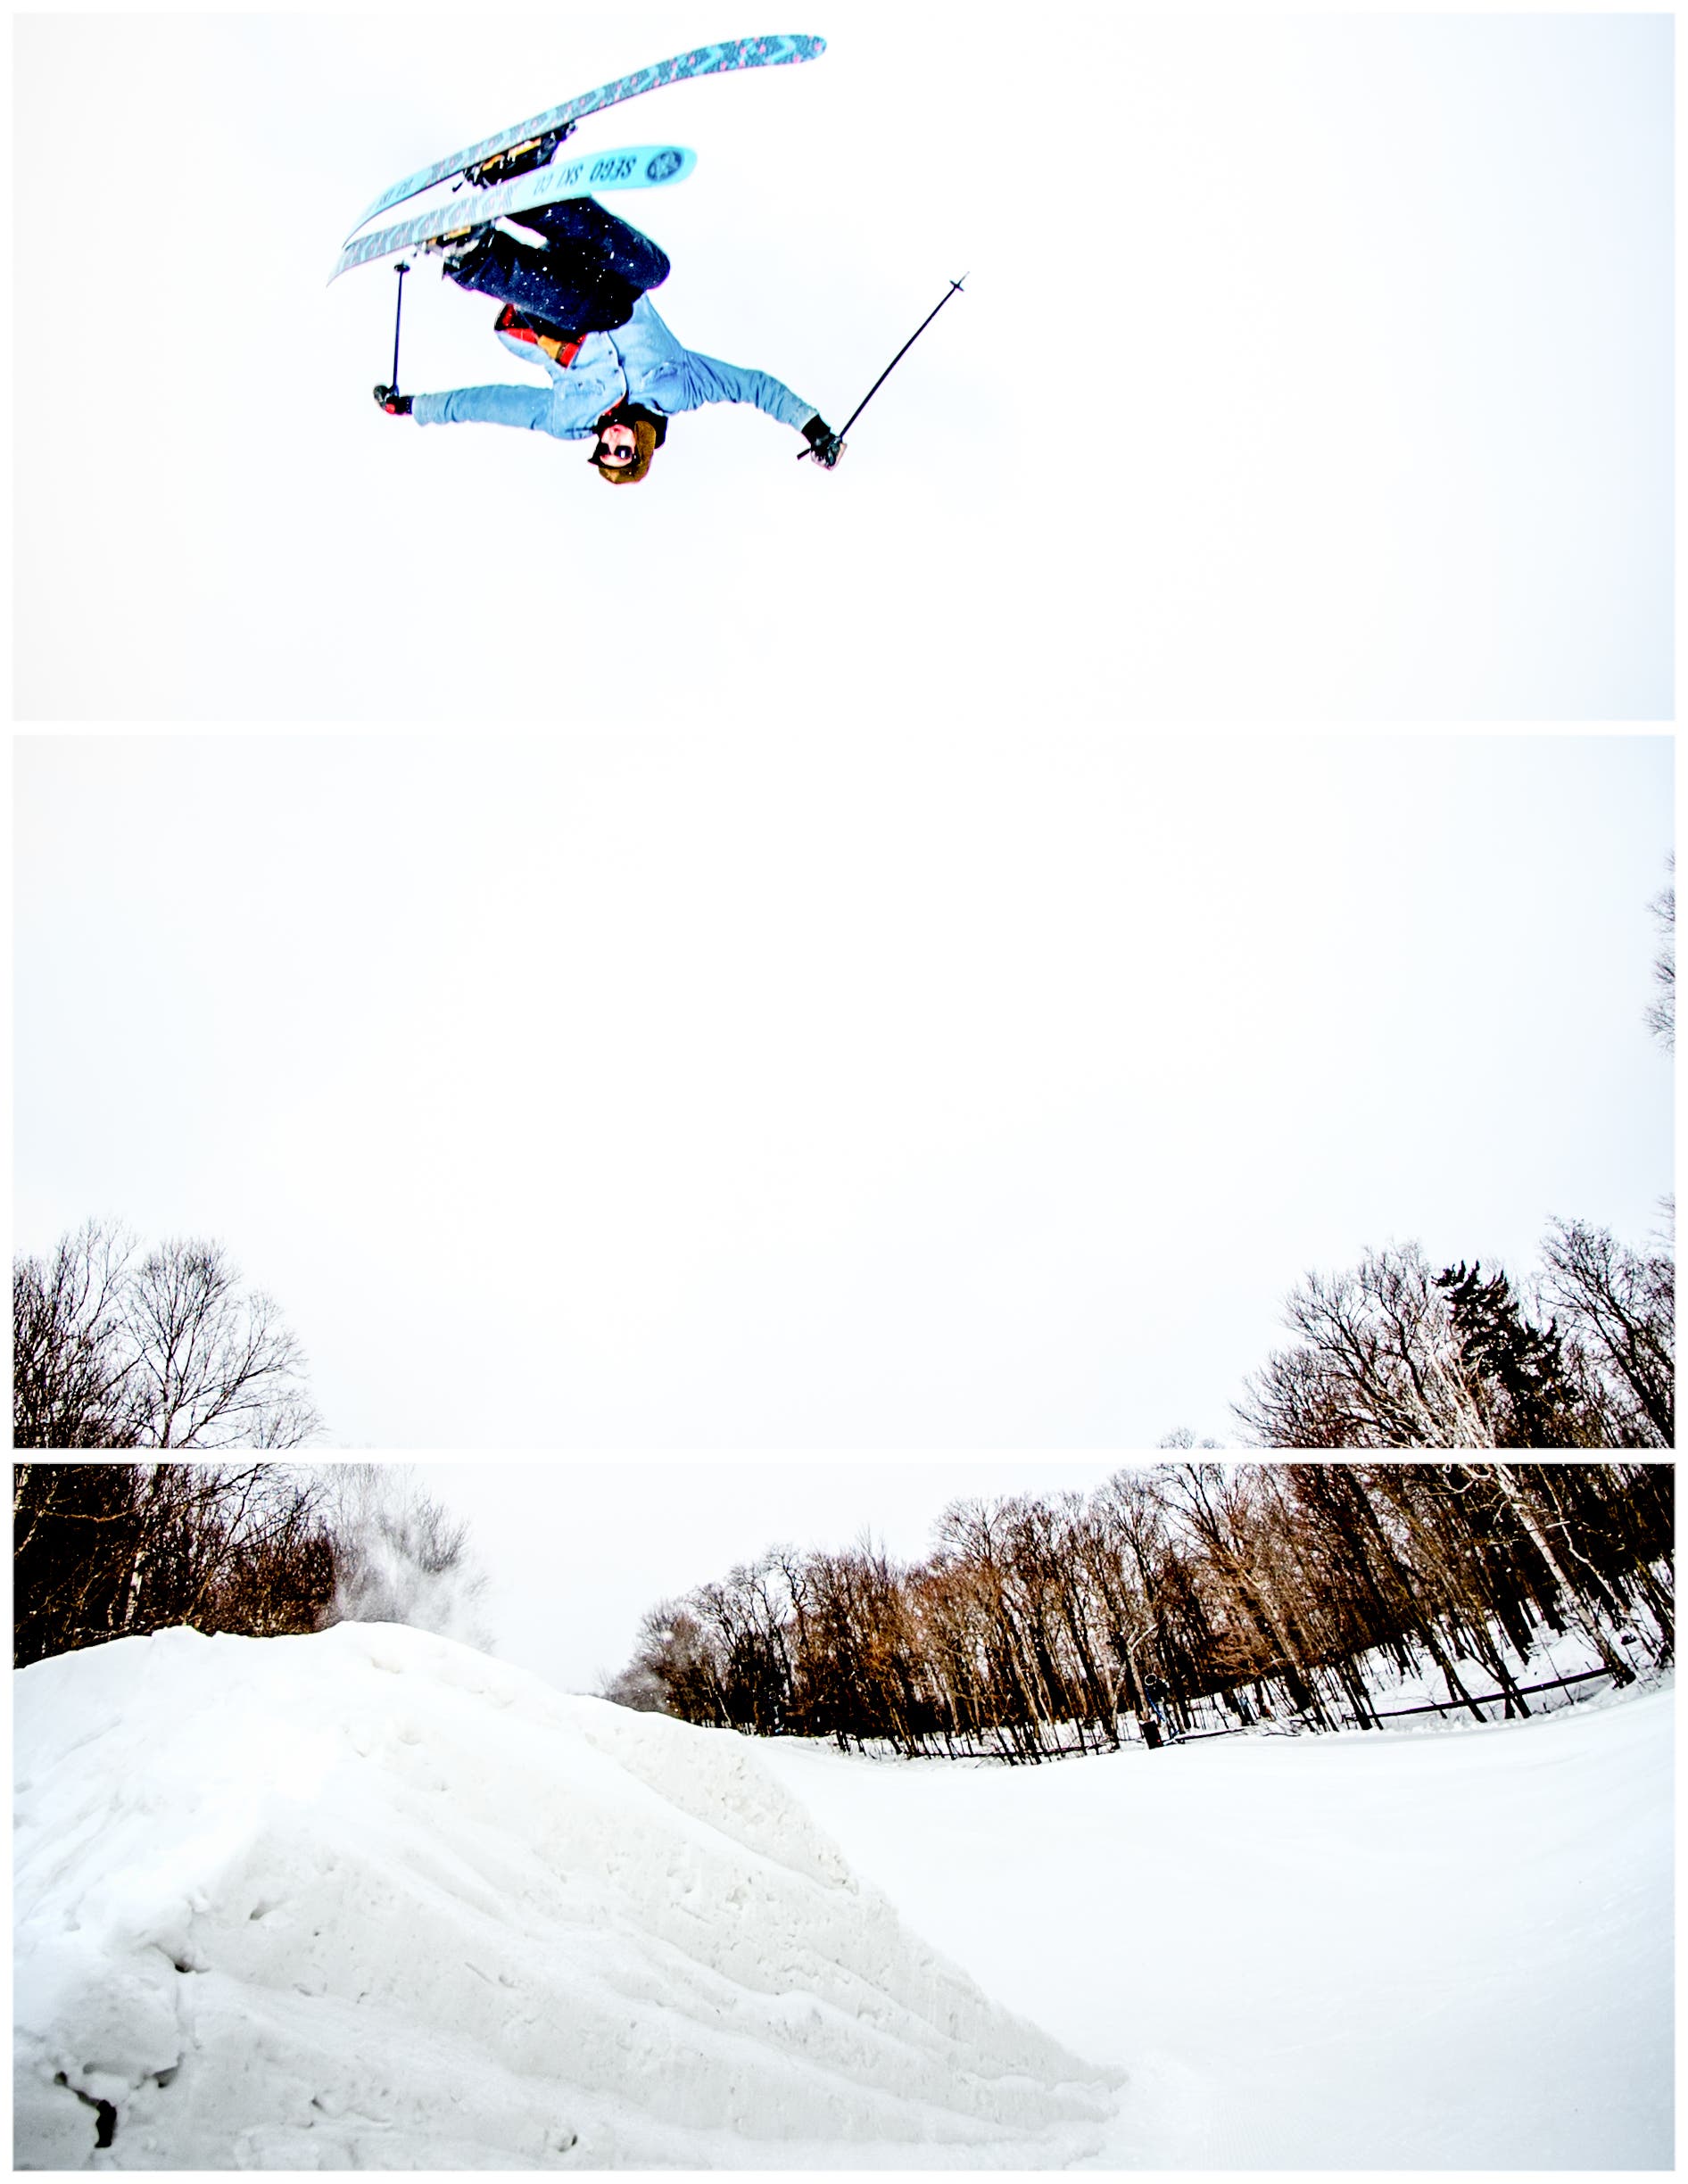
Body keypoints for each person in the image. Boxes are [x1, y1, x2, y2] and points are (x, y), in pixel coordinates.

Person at [372, 196, 842, 484]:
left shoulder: (569, 418)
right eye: (624, 452)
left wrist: (416, 407)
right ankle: (535, 195)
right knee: (654, 270)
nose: (611, 443)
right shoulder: (686, 389)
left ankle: (474, 254)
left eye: (605, 453)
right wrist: (812, 427)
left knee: (603, 312)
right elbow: (755, 387)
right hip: (604, 273)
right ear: (641, 446)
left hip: (551, 307)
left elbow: (491, 404)